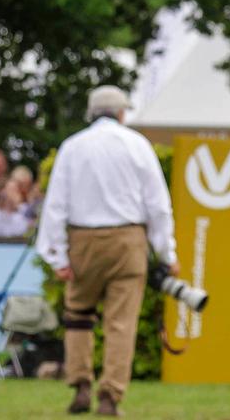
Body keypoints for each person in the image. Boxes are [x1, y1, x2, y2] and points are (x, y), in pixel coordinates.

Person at [35, 86, 176, 417]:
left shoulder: (72, 147)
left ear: (91, 113)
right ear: (122, 113)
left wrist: (57, 255)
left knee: (78, 315)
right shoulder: (138, 145)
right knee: (121, 323)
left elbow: (55, 204)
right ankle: (111, 396)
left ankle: (81, 384)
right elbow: (158, 205)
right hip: (128, 240)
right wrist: (167, 253)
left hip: (84, 240)